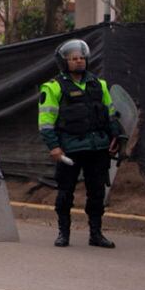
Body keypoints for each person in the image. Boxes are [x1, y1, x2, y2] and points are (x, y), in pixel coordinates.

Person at [38, 38, 122, 248]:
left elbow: (111, 115)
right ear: (64, 62)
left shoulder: (99, 84)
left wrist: (116, 136)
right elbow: (46, 123)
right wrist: (54, 147)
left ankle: (96, 234)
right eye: (73, 58)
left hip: (98, 148)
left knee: (97, 193)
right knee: (65, 192)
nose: (79, 61)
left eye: (82, 57)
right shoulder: (53, 87)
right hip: (70, 149)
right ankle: (63, 233)